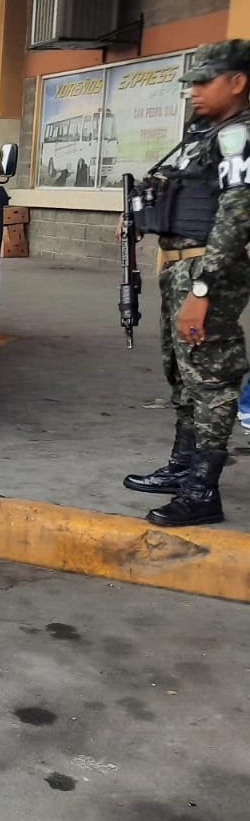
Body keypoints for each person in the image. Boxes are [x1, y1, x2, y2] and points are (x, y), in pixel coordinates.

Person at [123, 40, 250, 527]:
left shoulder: (238, 135)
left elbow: (236, 218)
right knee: (183, 373)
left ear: (237, 81)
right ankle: (182, 467)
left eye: (204, 81)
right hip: (179, 266)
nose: (193, 91)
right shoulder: (206, 135)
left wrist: (203, 291)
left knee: (211, 378)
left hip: (205, 271)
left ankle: (202, 492)